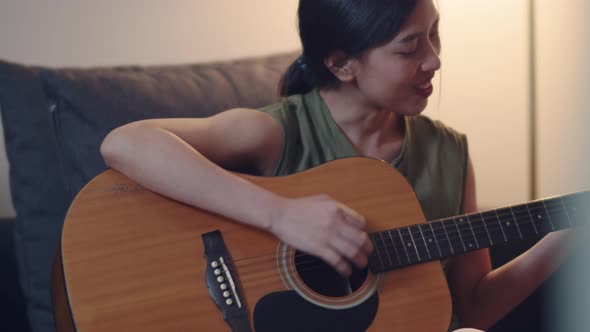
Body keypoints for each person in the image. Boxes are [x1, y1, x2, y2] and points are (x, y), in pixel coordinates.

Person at [99, 0, 579, 331]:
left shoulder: (448, 154)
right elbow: (126, 143)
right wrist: (279, 215)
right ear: (343, 64)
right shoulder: (279, 132)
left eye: (436, 34)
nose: (434, 61)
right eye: (411, 48)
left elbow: (471, 307)